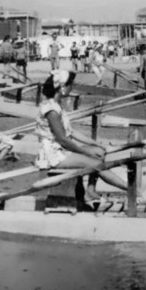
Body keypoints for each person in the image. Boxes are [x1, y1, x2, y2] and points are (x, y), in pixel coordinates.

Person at [35, 70, 128, 205]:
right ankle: (132, 189)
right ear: (62, 87)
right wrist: (87, 152)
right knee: (95, 163)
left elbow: (71, 133)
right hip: (52, 156)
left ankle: (90, 191)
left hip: (60, 150)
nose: (71, 88)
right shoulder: (51, 110)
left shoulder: (57, 106)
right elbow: (63, 140)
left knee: (99, 153)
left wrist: (97, 144)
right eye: (70, 85)